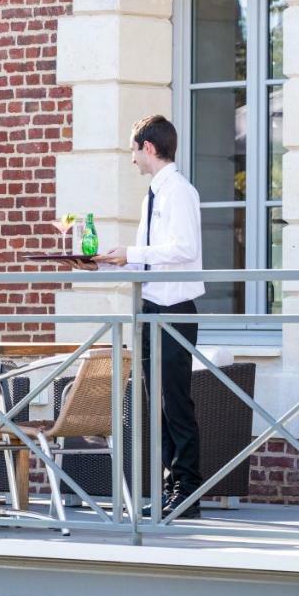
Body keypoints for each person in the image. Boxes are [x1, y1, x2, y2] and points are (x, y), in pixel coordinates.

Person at [75, 115, 205, 518]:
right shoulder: (155, 193)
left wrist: (131, 254)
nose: (131, 159)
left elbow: (183, 249)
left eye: (133, 149)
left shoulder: (178, 192)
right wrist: (105, 265)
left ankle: (188, 490)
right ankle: (172, 489)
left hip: (174, 311)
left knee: (175, 403)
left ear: (148, 148)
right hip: (152, 309)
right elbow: (152, 259)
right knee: (158, 404)